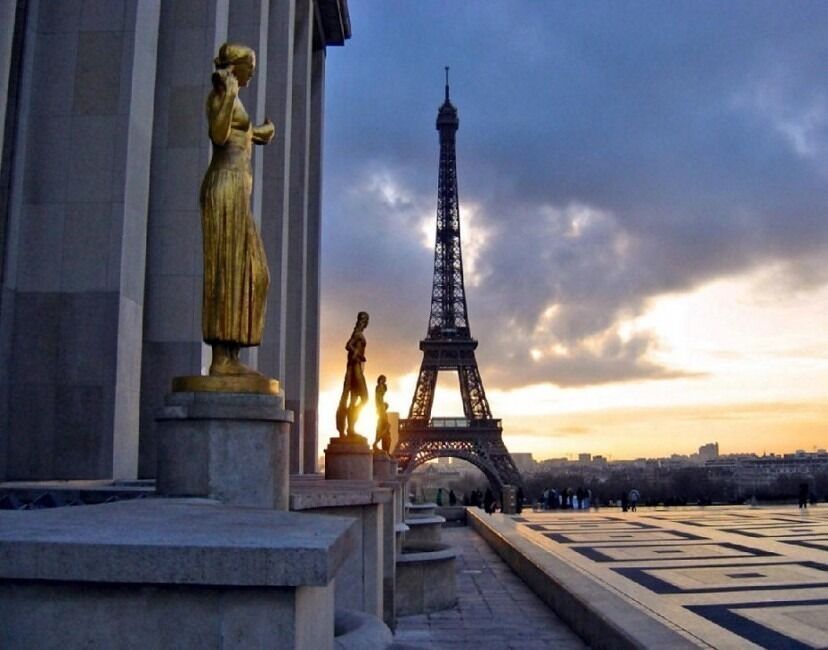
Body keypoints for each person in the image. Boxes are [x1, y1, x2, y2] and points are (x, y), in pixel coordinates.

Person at [201, 43, 275, 376]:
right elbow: (217, 133)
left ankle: (230, 354)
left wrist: (261, 132)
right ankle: (221, 359)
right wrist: (229, 92)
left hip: (238, 193)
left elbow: (238, 133)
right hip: (225, 187)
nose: (253, 71)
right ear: (236, 66)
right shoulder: (221, 90)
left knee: (255, 275)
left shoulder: (235, 97)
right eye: (250, 65)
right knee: (228, 272)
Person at [335, 312, 370, 438]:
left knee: (354, 399)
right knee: (364, 398)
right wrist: (357, 353)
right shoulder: (357, 333)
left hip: (356, 367)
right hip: (355, 368)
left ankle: (350, 428)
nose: (366, 322)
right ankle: (350, 426)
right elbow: (348, 345)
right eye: (365, 320)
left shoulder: (358, 333)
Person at [372, 375, 391, 453]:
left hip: (381, 407)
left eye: (384, 380)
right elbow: (378, 398)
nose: (384, 381)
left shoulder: (381, 388)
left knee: (385, 427)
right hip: (380, 408)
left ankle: (377, 443)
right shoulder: (378, 388)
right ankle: (376, 443)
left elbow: (381, 396)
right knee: (386, 426)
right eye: (383, 379)